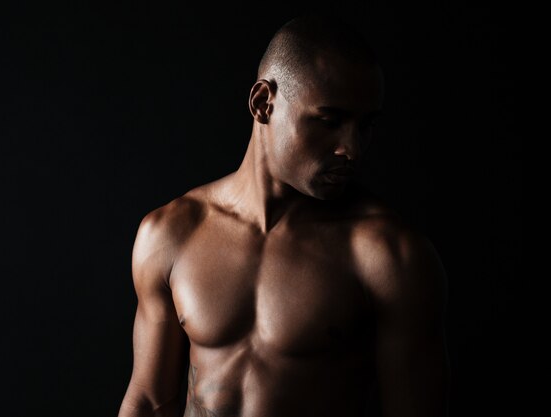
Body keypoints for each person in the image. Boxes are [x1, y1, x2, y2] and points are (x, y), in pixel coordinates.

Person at [118, 13, 451, 417]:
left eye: (364, 127)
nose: (352, 148)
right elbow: (150, 401)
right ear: (263, 103)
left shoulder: (388, 256)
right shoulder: (171, 234)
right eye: (330, 121)